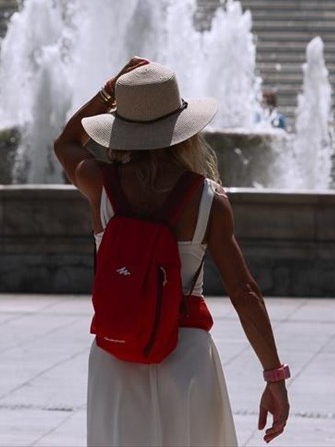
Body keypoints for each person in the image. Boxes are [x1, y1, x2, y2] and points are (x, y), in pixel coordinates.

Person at [54, 58, 291, 446]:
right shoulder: (207, 199)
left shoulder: (99, 185)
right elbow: (244, 292)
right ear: (182, 130)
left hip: (117, 356)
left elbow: (65, 142)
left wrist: (110, 88)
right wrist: (273, 376)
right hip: (186, 357)